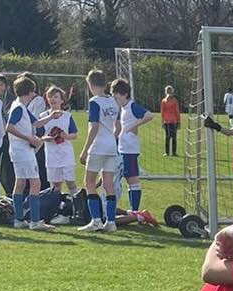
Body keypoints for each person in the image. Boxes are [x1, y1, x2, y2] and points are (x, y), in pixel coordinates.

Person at [79, 70, 120, 232]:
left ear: (90, 84)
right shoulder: (113, 101)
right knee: (108, 184)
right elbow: (118, 126)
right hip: (111, 145)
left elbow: (94, 127)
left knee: (89, 182)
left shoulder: (94, 101)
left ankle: (96, 220)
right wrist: (112, 139)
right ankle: (111, 222)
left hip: (98, 146)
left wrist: (85, 150)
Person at [3, 76, 46, 229]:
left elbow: (36, 122)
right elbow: (9, 127)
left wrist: (52, 116)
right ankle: (35, 221)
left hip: (17, 151)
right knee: (35, 183)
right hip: (23, 150)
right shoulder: (18, 108)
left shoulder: (21, 107)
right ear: (30, 92)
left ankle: (19, 219)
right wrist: (29, 138)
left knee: (20, 183)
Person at [116, 84, 155, 214]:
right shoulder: (124, 108)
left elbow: (149, 115)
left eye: (117, 96)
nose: (115, 99)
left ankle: (134, 211)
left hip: (129, 149)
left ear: (125, 94)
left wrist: (134, 125)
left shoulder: (132, 106)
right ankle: (133, 210)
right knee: (128, 179)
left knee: (132, 180)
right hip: (124, 148)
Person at [40, 87, 79, 204]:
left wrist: (65, 136)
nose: (53, 99)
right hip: (51, 155)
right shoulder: (43, 116)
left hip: (66, 154)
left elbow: (75, 135)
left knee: (70, 182)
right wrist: (49, 138)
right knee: (55, 186)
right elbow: (39, 136)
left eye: (56, 97)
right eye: (50, 96)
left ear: (62, 100)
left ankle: (77, 207)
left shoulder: (67, 116)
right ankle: (56, 208)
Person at [160, 85, 181, 157]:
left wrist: (162, 121)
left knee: (170, 137)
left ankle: (170, 152)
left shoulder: (170, 101)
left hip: (170, 121)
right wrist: (178, 121)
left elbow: (176, 111)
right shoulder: (166, 101)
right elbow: (176, 111)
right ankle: (170, 152)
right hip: (170, 121)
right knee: (171, 137)